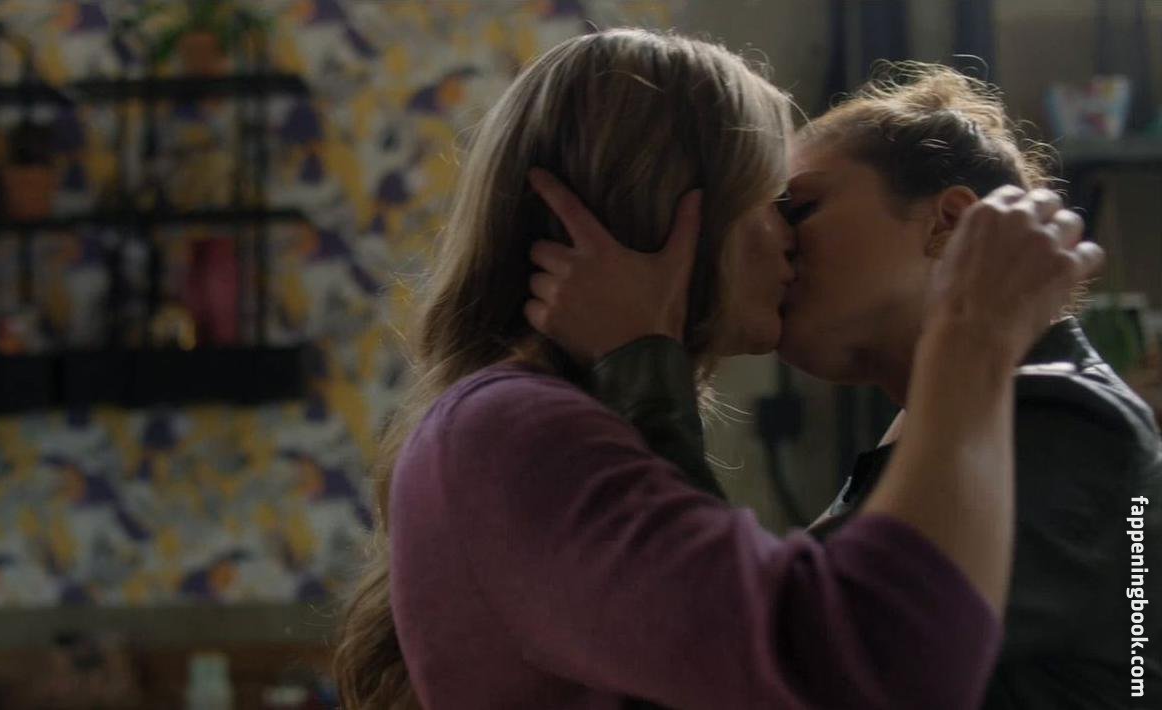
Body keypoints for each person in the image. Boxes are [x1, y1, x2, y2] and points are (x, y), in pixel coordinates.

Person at [333, 31, 1100, 709]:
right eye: (773, 202)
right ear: (674, 208)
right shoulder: (514, 430)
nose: (789, 241)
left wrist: (645, 371)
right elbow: (866, 667)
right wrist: (971, 336)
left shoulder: (527, 419)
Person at [524, 63, 1159, 709]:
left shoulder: (1066, 420)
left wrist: (638, 359)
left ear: (949, 222)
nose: (775, 240)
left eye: (798, 209)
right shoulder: (959, 425)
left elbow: (790, 663)